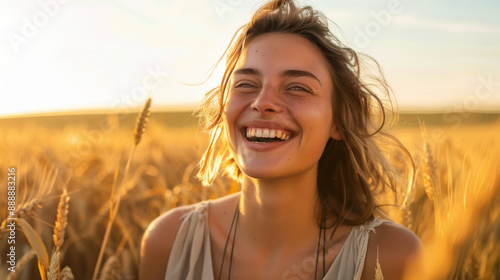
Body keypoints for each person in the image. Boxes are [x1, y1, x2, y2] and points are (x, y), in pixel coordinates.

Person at [140, 0, 423, 279]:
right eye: (246, 84)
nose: (263, 102)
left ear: (338, 122)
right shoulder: (169, 242)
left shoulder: (392, 257)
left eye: (298, 87)